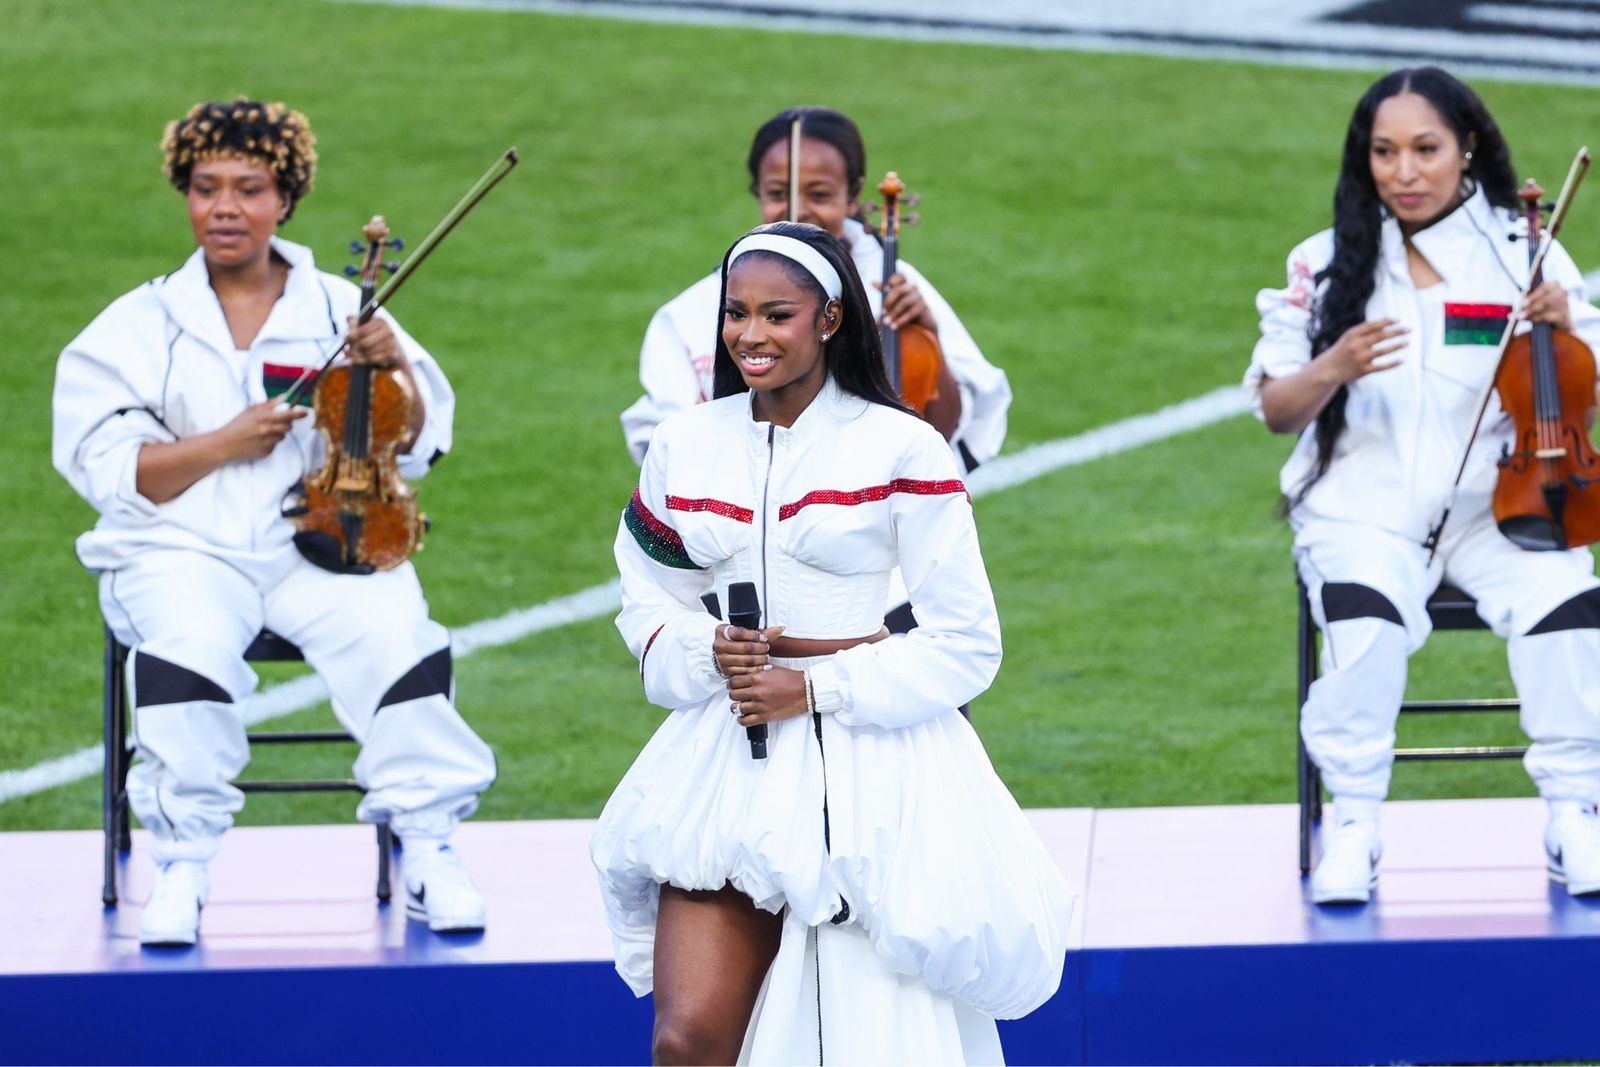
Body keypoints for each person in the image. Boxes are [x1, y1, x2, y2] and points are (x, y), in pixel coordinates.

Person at [591, 221, 1070, 1064]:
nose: (750, 334)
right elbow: (648, 598)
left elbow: (966, 642)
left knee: (870, 1045)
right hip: (726, 766)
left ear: (831, 319)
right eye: (737, 313)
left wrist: (813, 688)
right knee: (685, 1039)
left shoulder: (905, 449)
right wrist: (706, 649)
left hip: (877, 773)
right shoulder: (685, 443)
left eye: (777, 314)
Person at [52, 98, 497, 946]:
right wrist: (222, 444)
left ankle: (431, 842)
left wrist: (392, 361)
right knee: (185, 647)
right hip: (179, 548)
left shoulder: (345, 310)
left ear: (283, 200)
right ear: (184, 195)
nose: (226, 207)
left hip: (322, 542)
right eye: (207, 187)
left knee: (399, 635)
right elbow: (103, 466)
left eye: (249, 188)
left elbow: (423, 440)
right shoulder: (139, 323)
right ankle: (183, 862)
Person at [1247, 67, 1600, 905]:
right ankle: (1356, 823)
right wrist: (1334, 364)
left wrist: (1561, 328)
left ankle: (1573, 812)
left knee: (1569, 605)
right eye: (1384, 151)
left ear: (1468, 148)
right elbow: (1276, 410)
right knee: (1364, 627)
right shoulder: (1323, 261)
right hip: (1361, 513)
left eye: (1426, 150)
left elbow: (1586, 390)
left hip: (1501, 507)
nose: (1404, 172)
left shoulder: (1529, 252)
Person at [619, 105, 1011, 476]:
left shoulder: (896, 288)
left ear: (853, 197)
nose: (797, 212)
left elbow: (942, 433)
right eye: (777, 194)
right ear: (757, 194)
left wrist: (930, 339)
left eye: (819, 194)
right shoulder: (689, 313)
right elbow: (672, 453)